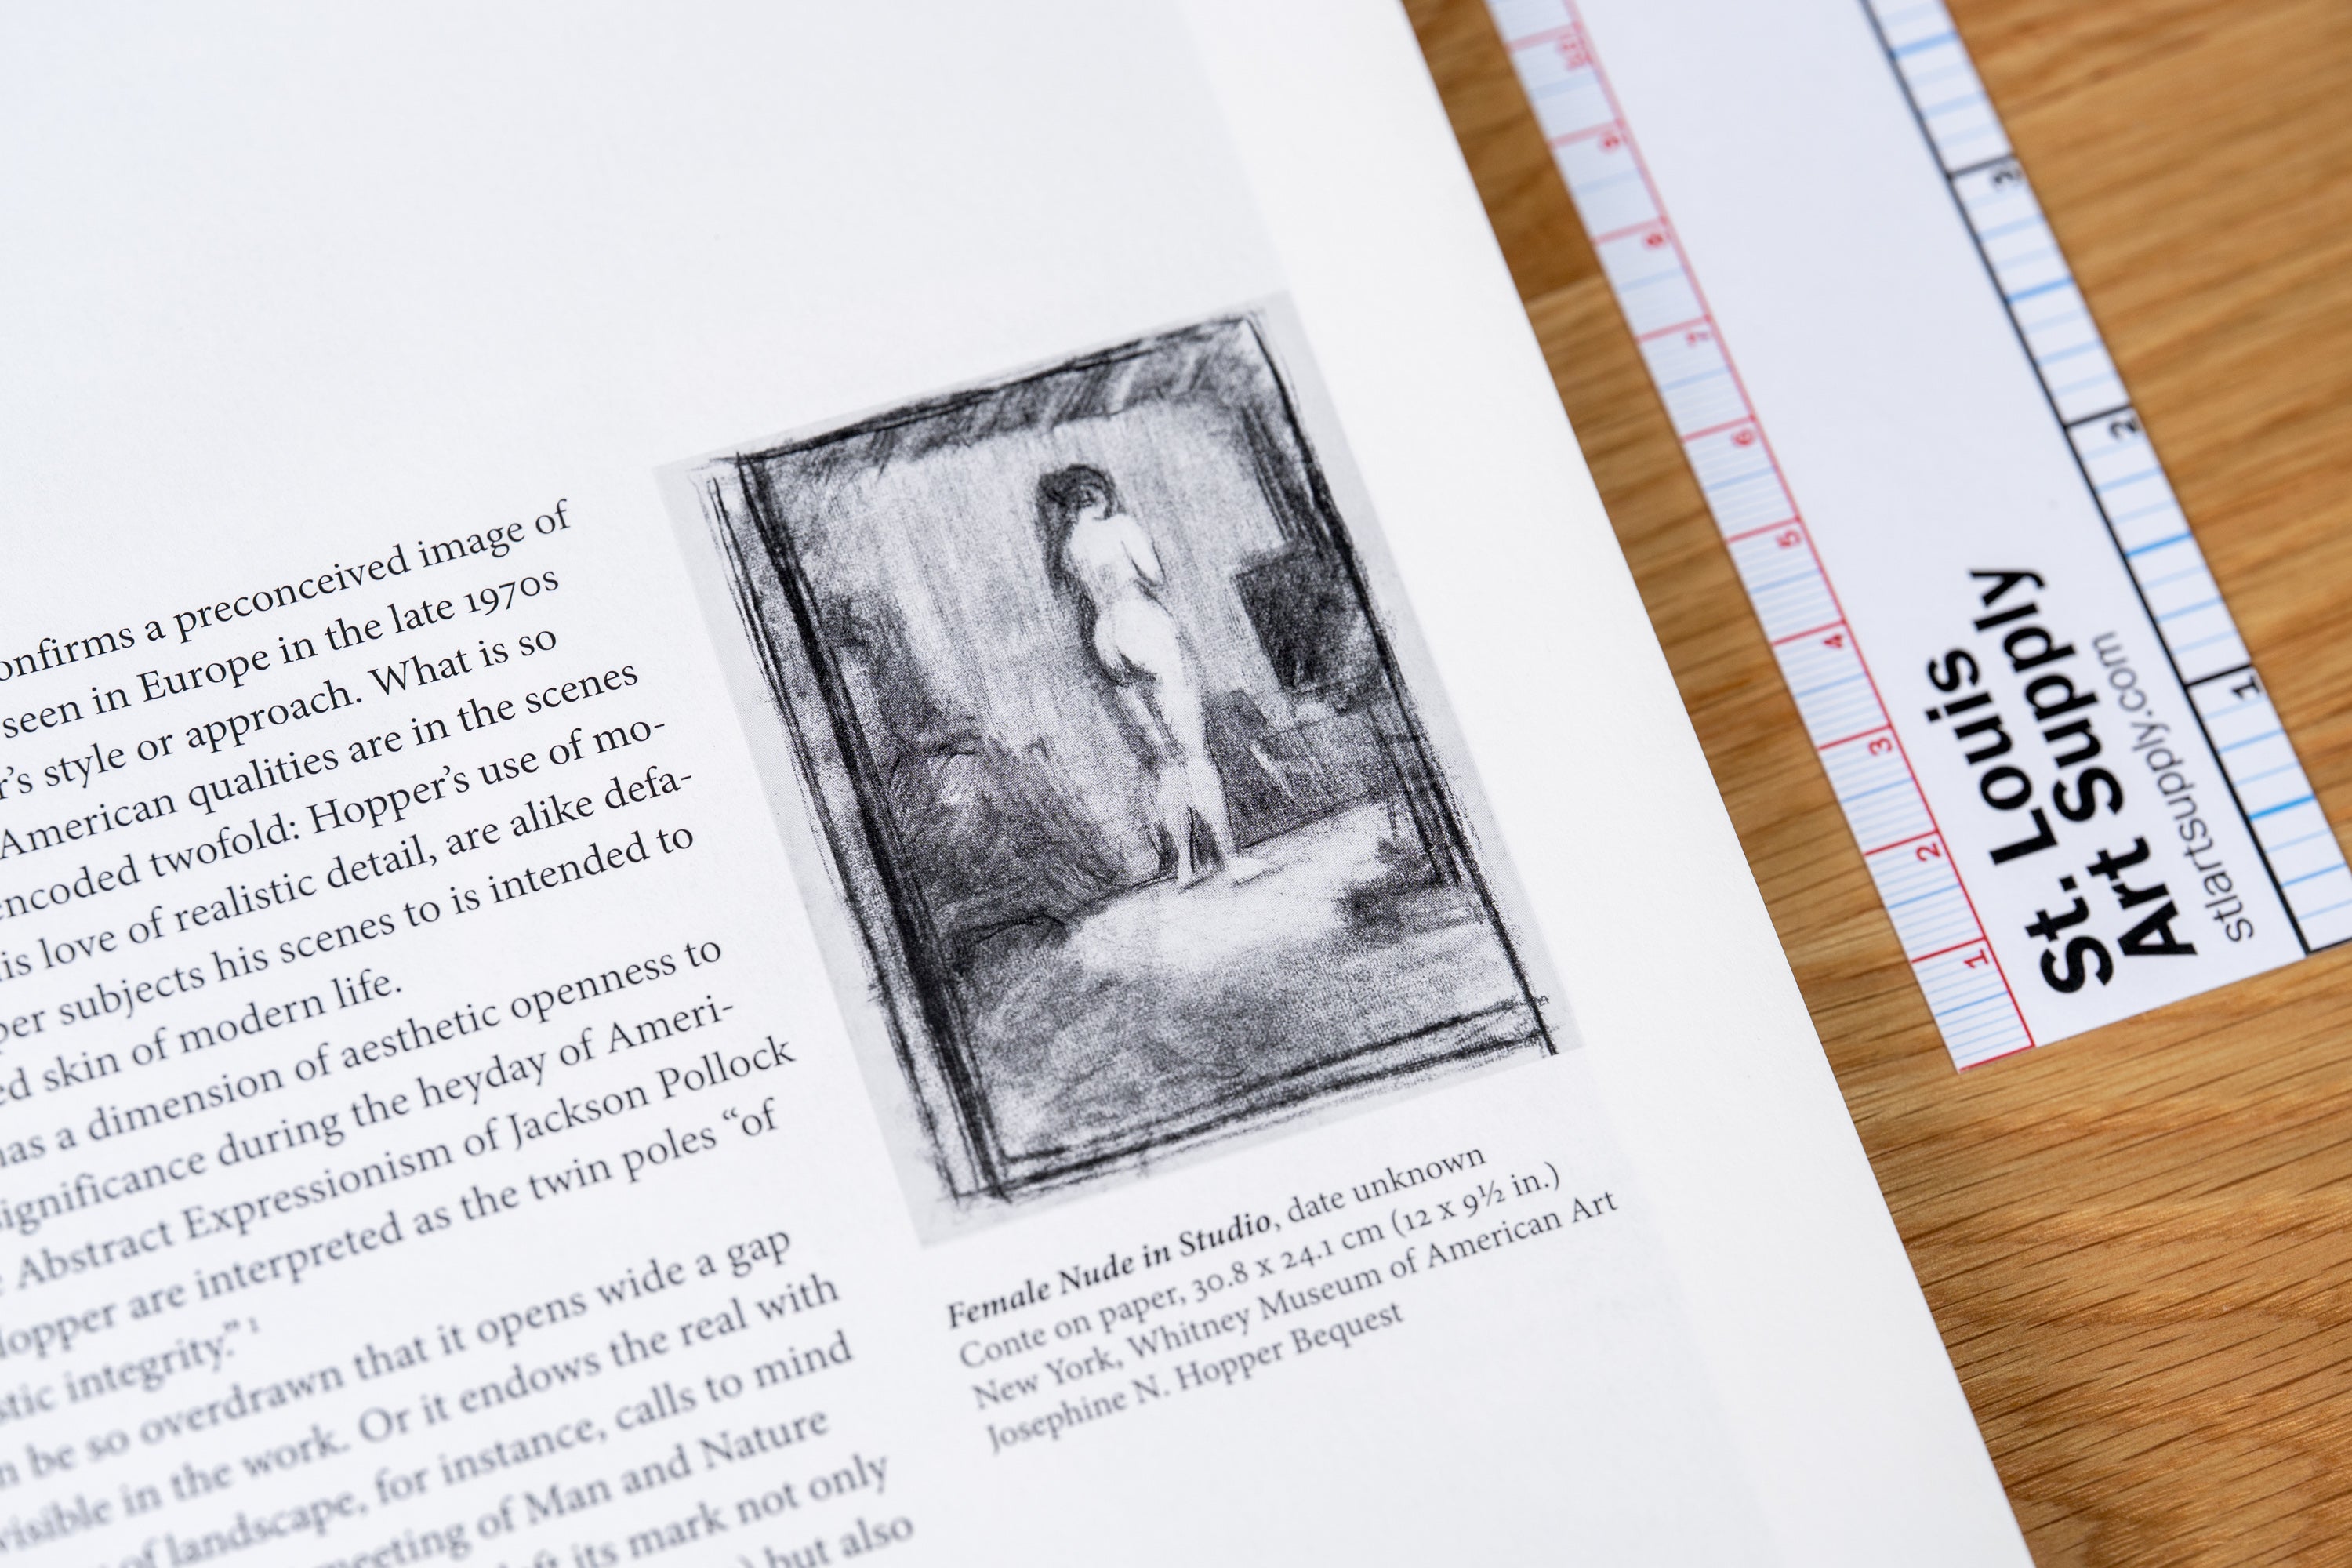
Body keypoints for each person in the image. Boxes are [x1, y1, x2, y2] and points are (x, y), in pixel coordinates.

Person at [1038, 464, 1267, 888]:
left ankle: (1185, 867)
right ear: (1098, 494)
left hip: (1106, 636)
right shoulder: (1119, 526)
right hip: (1142, 623)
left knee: (1165, 761)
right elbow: (1154, 574)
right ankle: (1231, 859)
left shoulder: (1068, 547)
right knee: (1193, 753)